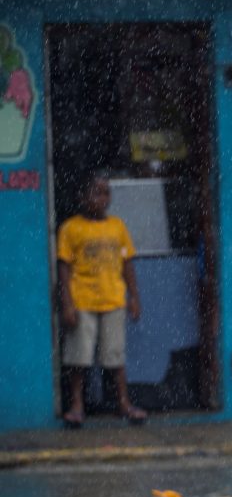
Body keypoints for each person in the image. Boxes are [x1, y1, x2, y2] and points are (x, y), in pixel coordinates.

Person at [58, 171, 147, 427]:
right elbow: (64, 267)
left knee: (115, 356)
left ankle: (123, 403)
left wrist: (134, 297)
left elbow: (127, 263)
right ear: (82, 197)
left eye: (106, 192)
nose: (102, 198)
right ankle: (77, 405)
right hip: (82, 301)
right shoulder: (71, 228)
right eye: (96, 192)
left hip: (113, 300)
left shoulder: (117, 226)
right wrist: (67, 303)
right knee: (79, 358)